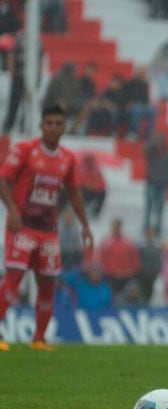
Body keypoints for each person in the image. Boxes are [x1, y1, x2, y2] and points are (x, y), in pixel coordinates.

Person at [0, 105, 94, 351]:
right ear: (41, 125)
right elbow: (3, 178)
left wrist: (84, 225)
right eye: (49, 123)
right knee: (14, 278)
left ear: (64, 127)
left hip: (48, 231)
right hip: (22, 227)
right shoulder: (25, 150)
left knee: (47, 283)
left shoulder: (67, 158)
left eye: (58, 124)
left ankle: (39, 339)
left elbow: (73, 192)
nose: (53, 128)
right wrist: (11, 210)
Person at [143, 131, 168, 237]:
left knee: (160, 209)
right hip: (152, 183)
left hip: (163, 186)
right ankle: (146, 228)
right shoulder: (151, 153)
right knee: (148, 208)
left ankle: (157, 230)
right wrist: (151, 142)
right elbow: (145, 150)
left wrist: (167, 181)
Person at [98, 217, 141, 303]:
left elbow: (134, 256)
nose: (116, 228)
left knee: (125, 297)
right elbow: (101, 258)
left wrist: (133, 269)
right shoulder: (107, 242)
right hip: (111, 275)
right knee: (111, 296)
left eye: (117, 226)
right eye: (114, 226)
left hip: (126, 275)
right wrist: (106, 270)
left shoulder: (128, 241)